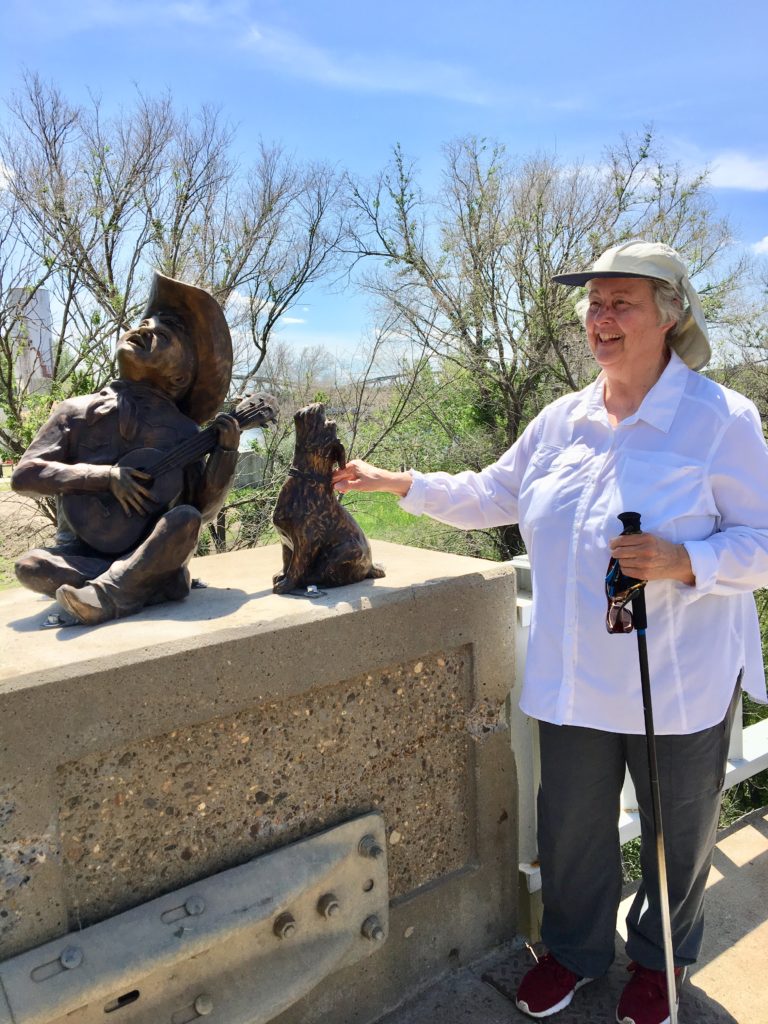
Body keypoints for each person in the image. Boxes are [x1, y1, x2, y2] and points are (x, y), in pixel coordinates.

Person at [333, 239, 768, 1024]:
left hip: (676, 679)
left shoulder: (720, 419)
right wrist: (399, 483)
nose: (600, 319)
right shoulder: (563, 418)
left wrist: (683, 559)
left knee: (675, 839)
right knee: (570, 832)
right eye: (593, 304)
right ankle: (572, 952)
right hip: (573, 678)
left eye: (620, 302)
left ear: (670, 316)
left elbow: (762, 543)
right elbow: (494, 491)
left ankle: (659, 965)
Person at [12, 273, 241, 626]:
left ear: (179, 377)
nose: (145, 329)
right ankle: (148, 578)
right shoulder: (74, 411)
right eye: (144, 323)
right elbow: (25, 476)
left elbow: (201, 512)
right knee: (31, 567)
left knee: (184, 519)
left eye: (161, 335)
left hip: (145, 542)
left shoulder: (183, 431)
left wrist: (225, 454)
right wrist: (105, 478)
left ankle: (109, 593)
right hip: (80, 550)